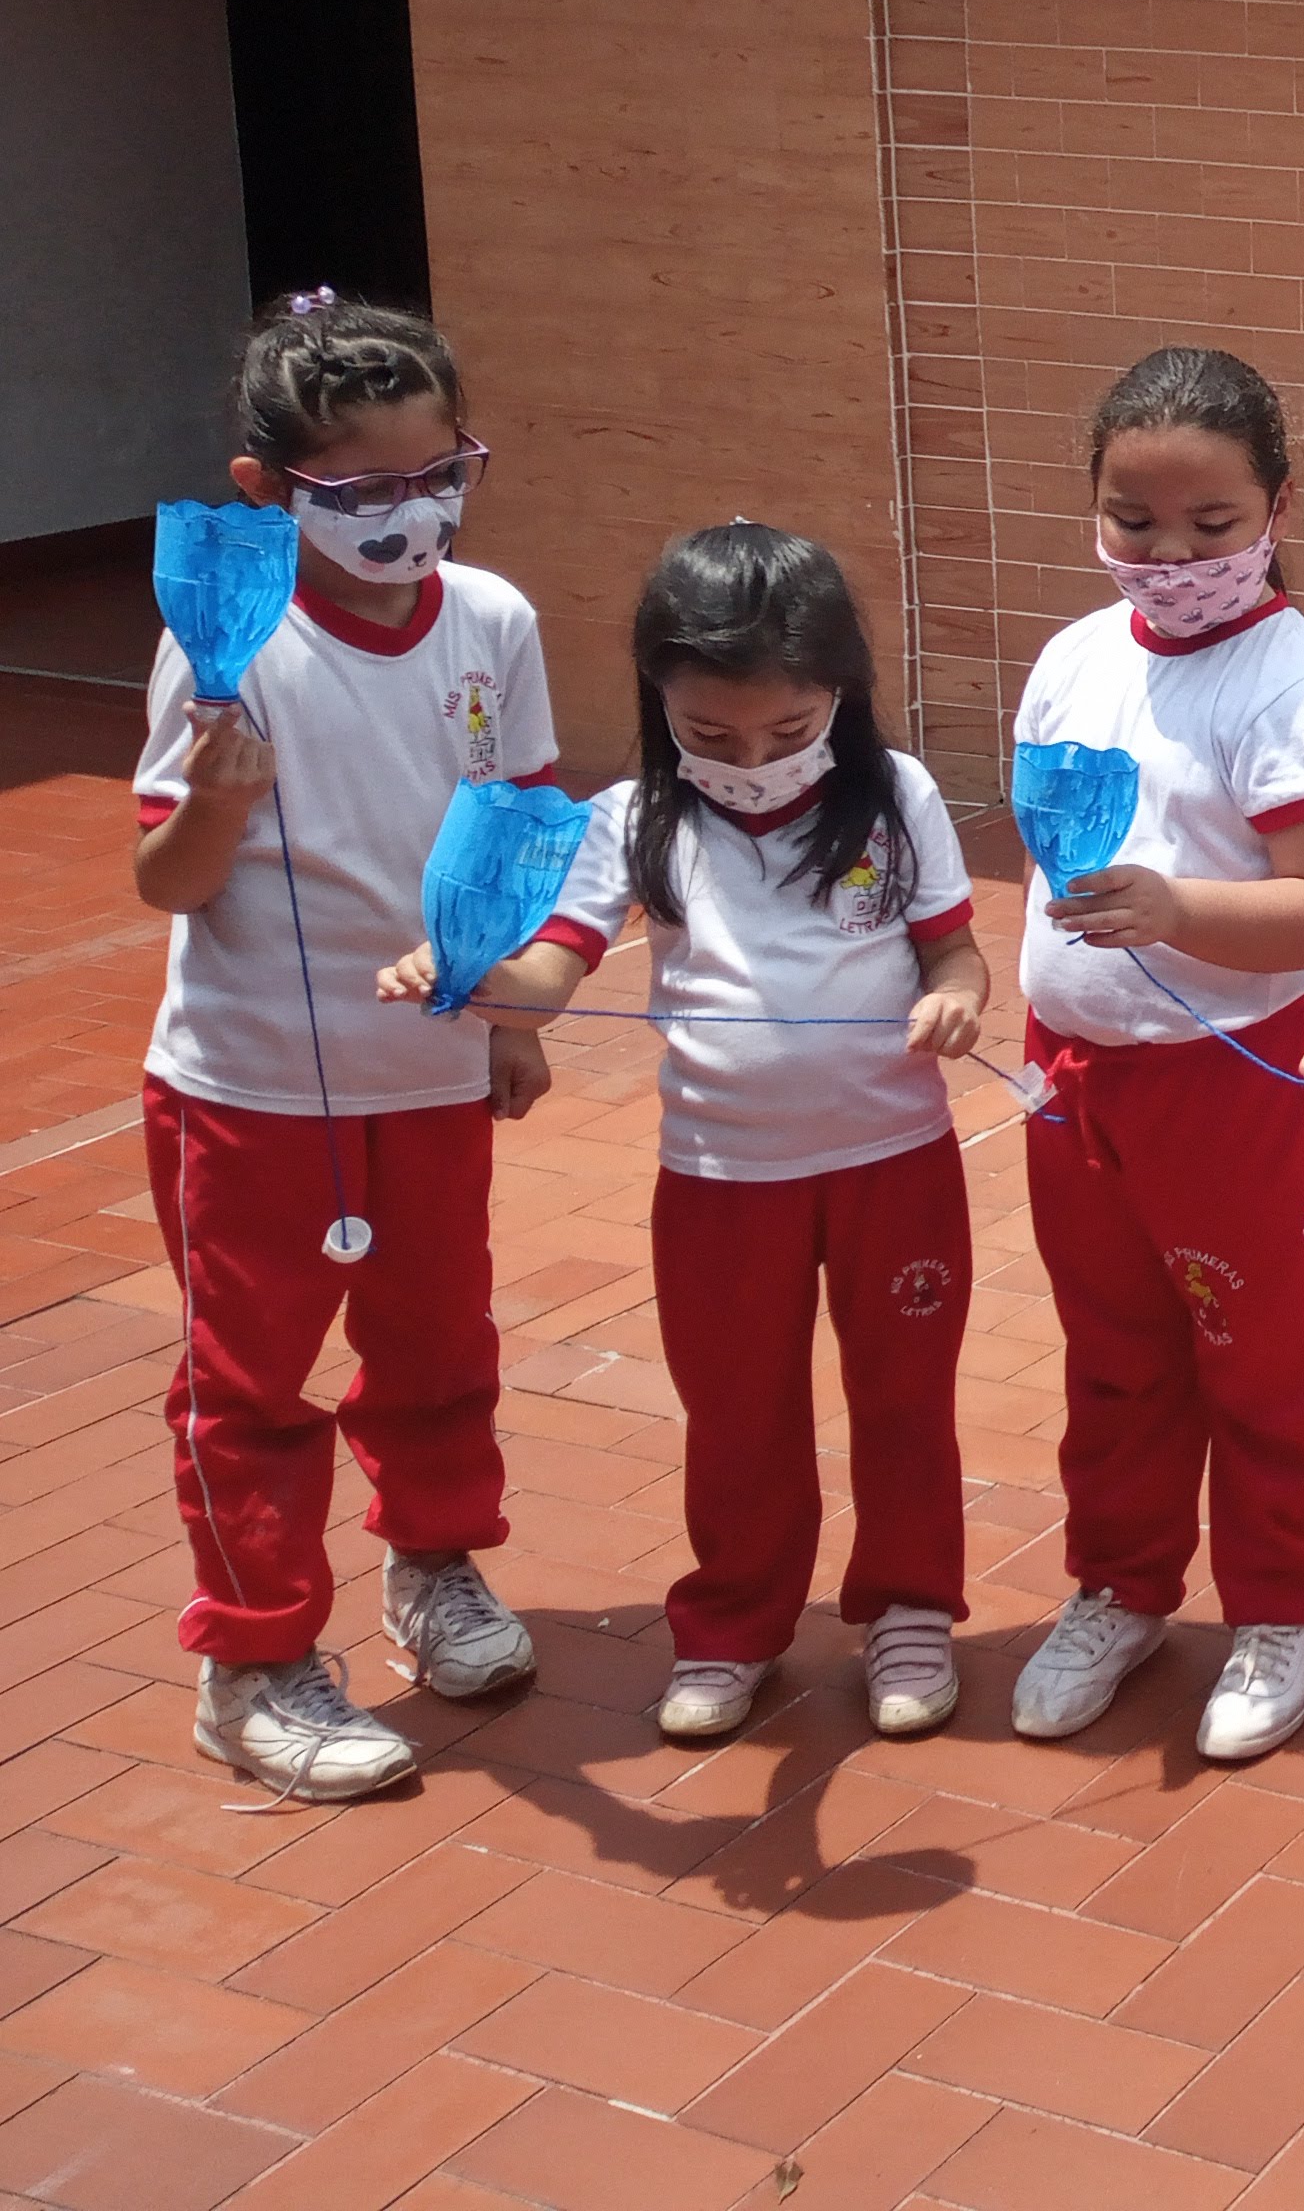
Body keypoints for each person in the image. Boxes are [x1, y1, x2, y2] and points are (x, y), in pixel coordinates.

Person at [388, 526, 986, 1746]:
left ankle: (909, 1607)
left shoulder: (897, 795)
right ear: (659, 701)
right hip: (721, 1178)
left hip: (895, 1166)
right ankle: (733, 1624)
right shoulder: (631, 819)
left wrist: (958, 999)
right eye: (710, 735)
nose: (750, 762)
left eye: (788, 729)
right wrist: (472, 973)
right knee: (736, 1413)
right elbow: (549, 975)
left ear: (842, 692)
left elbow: (954, 952)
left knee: (904, 1400)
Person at [132, 293, 558, 1800]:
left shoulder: (493, 620)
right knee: (251, 1381)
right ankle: (253, 1661)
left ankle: (435, 1566)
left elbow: (516, 824)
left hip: (429, 1073)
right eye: (363, 488)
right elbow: (165, 884)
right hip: (252, 1088)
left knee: (439, 1345)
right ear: (266, 489)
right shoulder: (229, 645)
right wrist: (217, 799)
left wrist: (507, 1011)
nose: (409, 513)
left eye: (439, 474)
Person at [1006, 347, 1304, 1764]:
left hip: (1234, 1072)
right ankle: (1120, 1586)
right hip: (1075, 1074)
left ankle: (1281, 1606)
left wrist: (1177, 911)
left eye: (1210, 524)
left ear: (1280, 506)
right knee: (1113, 1351)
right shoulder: (1073, 658)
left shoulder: (1297, 690)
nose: (1169, 556)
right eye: (1134, 520)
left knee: (1265, 1356)